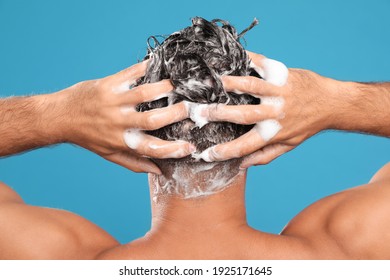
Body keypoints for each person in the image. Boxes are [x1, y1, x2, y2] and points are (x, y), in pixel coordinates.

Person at [0, 17, 389, 259]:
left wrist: (60, 114)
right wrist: (339, 101)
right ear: (261, 130)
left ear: (132, 130)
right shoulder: (350, 251)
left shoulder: (45, 258)